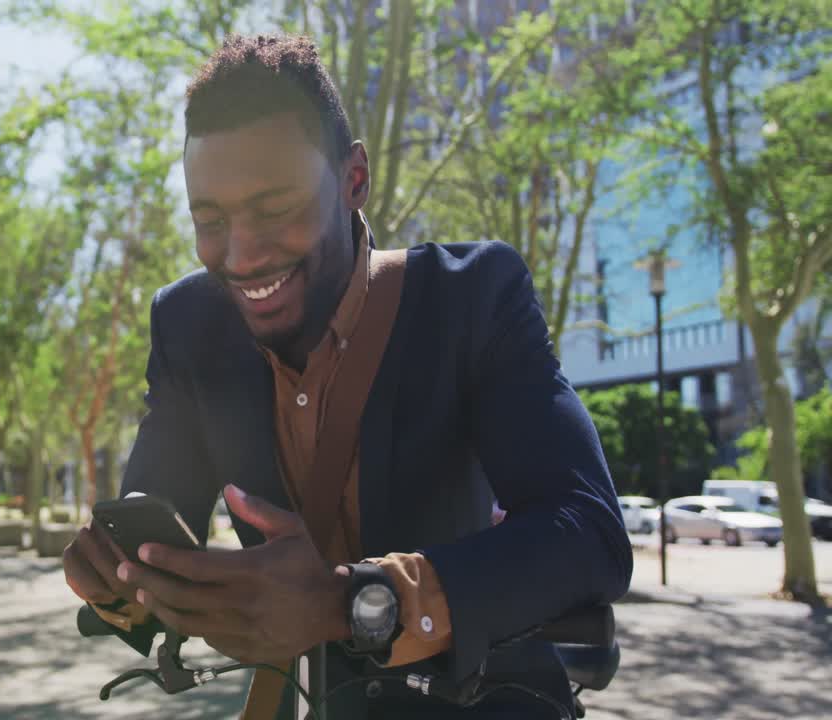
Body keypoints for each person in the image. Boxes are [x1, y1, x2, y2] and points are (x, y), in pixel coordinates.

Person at [62, 33, 632, 719]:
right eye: (209, 220)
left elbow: (589, 531)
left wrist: (355, 602)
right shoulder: (188, 324)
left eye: (275, 210)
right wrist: (124, 584)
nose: (241, 256)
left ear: (355, 180)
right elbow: (161, 523)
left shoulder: (476, 297)